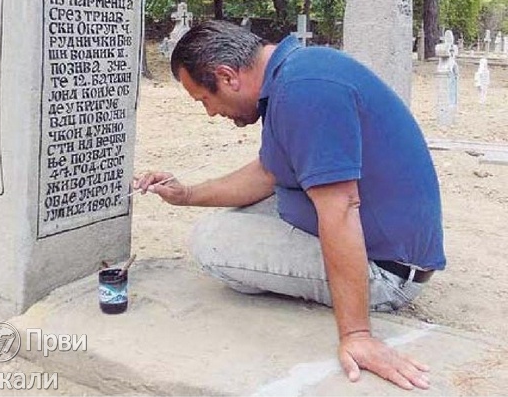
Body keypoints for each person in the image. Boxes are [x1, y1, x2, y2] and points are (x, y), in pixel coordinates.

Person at [134, 20, 445, 391]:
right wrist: (186, 194)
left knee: (212, 241)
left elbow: (341, 208)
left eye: (205, 99)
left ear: (227, 76)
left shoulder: (302, 91)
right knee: (239, 219)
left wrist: (357, 335)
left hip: (389, 272)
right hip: (390, 240)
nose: (211, 113)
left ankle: (364, 303)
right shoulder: (296, 72)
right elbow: (268, 173)